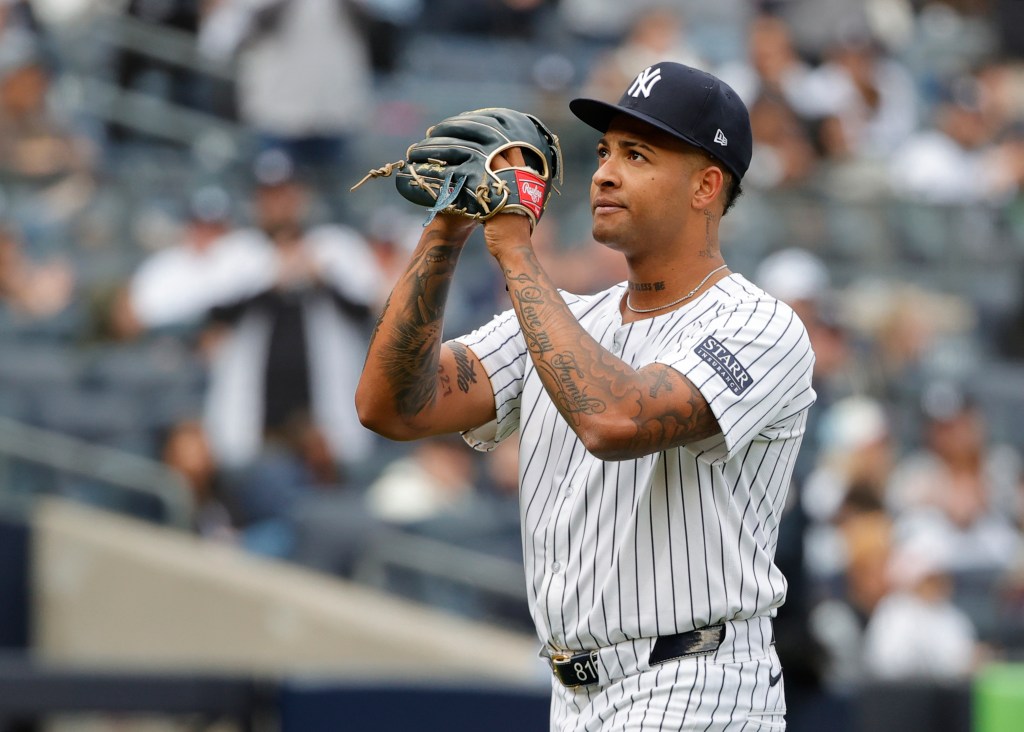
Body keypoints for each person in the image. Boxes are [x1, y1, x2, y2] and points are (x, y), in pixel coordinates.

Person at [356, 60, 816, 730]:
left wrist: (514, 247)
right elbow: (390, 406)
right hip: (575, 696)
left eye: (637, 154)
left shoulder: (759, 326)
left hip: (697, 681)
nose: (604, 172)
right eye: (603, 151)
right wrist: (447, 228)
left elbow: (612, 418)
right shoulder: (559, 323)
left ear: (705, 185)